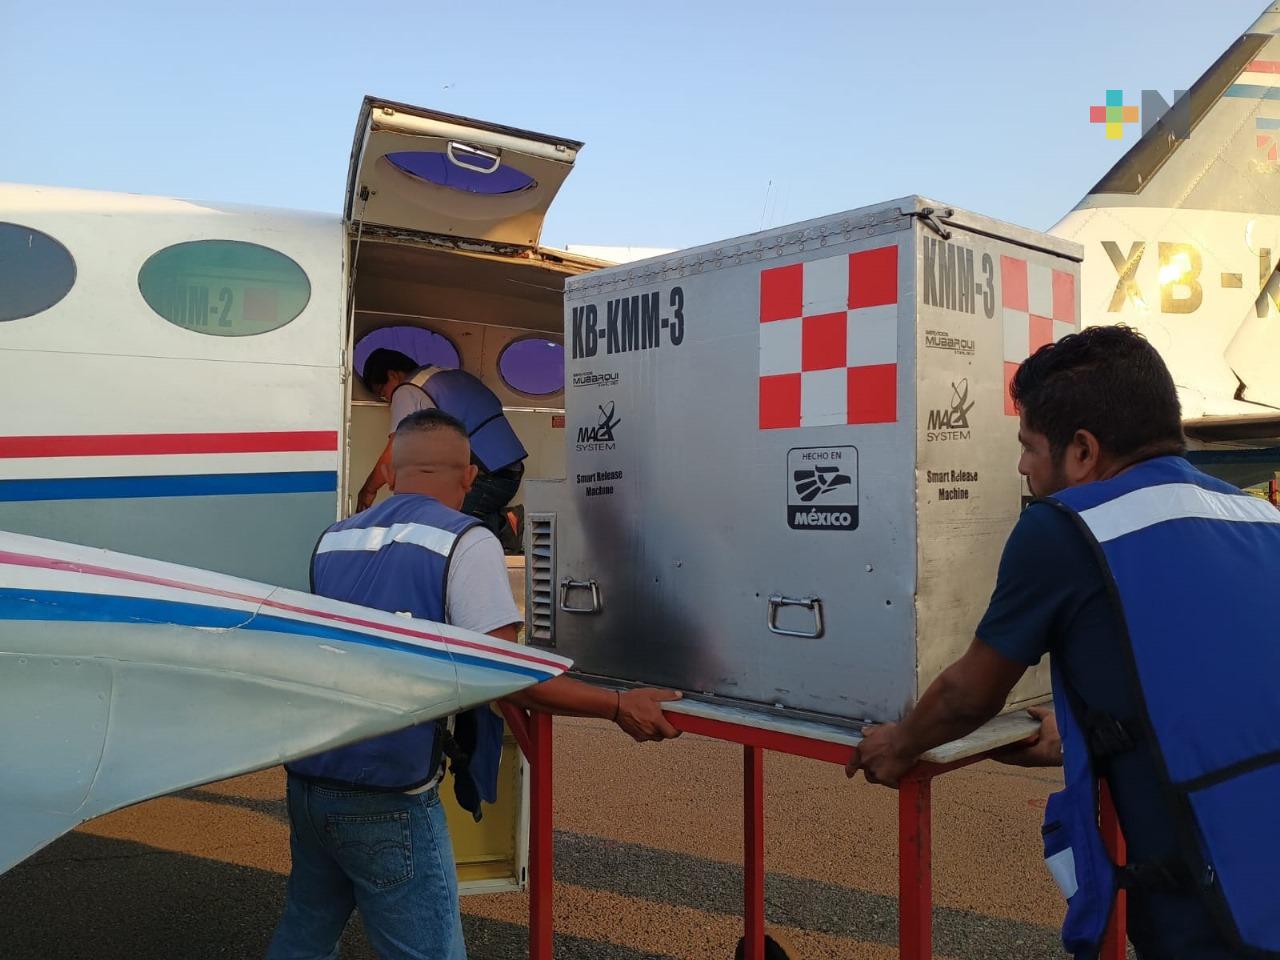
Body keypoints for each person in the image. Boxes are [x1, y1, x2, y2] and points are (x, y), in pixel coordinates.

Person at [846, 326, 1280, 960]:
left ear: (1082, 450)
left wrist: (901, 742)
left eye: (1027, 446)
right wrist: (1079, 730)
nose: (1022, 466)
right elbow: (1211, 680)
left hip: (1214, 900)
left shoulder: (1067, 527)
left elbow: (970, 695)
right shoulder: (1258, 518)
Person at [268, 409, 681, 960]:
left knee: (306, 934)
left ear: (391, 469)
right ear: (470, 477)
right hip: (388, 791)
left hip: (311, 777)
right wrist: (616, 705)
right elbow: (503, 676)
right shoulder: (465, 540)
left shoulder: (335, 538)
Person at [359, 348, 526, 537]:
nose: (387, 399)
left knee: (435, 526)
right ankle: (505, 522)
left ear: (393, 375)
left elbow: (395, 452)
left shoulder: (407, 389)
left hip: (487, 478)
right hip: (509, 472)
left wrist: (368, 491)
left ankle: (509, 526)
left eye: (383, 392)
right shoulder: (447, 375)